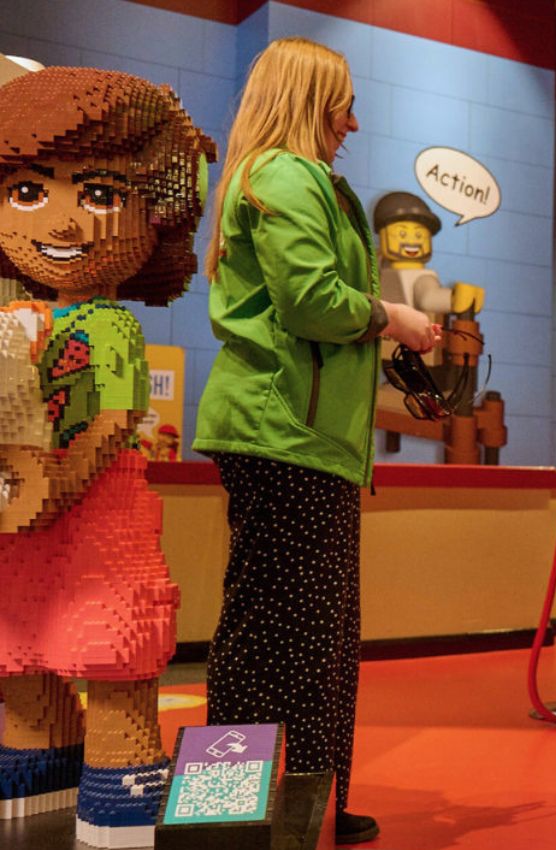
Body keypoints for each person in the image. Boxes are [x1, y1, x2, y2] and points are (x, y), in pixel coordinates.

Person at [192, 38, 438, 845]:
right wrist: (390, 316)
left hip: (308, 441)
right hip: (281, 434)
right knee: (276, 634)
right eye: (344, 105)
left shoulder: (297, 180)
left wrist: (378, 320)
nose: (354, 123)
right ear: (307, 101)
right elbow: (309, 300)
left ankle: (307, 806)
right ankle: (234, 813)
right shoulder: (284, 175)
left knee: (317, 635)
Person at [0, 66, 215, 846]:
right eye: (28, 192)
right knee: (20, 656)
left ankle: (117, 799)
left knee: (113, 656)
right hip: (20, 529)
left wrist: (59, 480)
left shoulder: (112, 329)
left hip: (94, 520)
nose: (61, 221)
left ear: (151, 216)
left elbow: (115, 418)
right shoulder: (16, 321)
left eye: (98, 194)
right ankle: (36, 775)